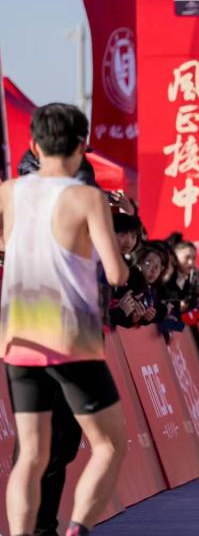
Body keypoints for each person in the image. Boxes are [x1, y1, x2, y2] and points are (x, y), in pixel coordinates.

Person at [0, 103, 129, 536]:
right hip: (71, 338)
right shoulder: (88, 197)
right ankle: (77, 530)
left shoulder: (8, 191)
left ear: (34, 145)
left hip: (18, 337)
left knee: (30, 455)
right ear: (82, 146)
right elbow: (117, 273)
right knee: (109, 445)